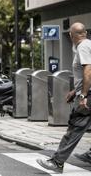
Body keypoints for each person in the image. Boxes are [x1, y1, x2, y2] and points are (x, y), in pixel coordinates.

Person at [38, 22, 91, 173]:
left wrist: (83, 95)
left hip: (89, 95)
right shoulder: (89, 44)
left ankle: (57, 162)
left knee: (76, 127)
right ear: (85, 32)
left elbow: (88, 70)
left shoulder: (83, 47)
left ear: (71, 35)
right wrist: (76, 90)